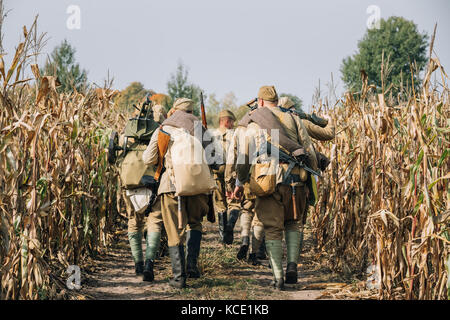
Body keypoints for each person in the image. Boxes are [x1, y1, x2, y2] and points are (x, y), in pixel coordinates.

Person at [233, 86, 318, 290]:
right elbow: (310, 151)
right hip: (296, 181)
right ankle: (292, 267)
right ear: (277, 101)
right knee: (294, 224)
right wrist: (311, 181)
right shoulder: (294, 119)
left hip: (267, 182)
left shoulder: (254, 124)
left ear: (260, 102)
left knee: (272, 229)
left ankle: (278, 278)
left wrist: (240, 181)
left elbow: (244, 157)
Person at [142, 98, 212, 289]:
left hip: (171, 185)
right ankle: (192, 267)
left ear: (174, 110)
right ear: (191, 111)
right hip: (197, 186)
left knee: (174, 231)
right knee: (195, 223)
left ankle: (179, 278)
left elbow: (148, 159)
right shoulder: (200, 128)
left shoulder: (163, 128)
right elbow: (215, 158)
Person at [278, 97, 335, 253]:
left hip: (276, 174)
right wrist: (330, 120)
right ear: (293, 109)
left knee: (276, 214)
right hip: (300, 173)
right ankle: (296, 251)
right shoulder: (299, 121)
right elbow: (328, 134)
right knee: (299, 215)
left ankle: (268, 251)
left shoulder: (272, 122)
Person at [122, 103, 167, 282]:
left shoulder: (129, 131)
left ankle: (138, 264)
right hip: (152, 181)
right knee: (154, 221)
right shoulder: (159, 131)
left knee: (134, 221)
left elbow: (117, 156)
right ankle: (150, 263)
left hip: (130, 182)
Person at [225, 119, 266, 265]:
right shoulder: (267, 125)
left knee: (246, 209)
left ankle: (244, 241)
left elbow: (232, 157)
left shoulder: (240, 130)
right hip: (265, 175)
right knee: (260, 213)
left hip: (246, 176)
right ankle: (256, 252)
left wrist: (231, 182)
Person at [211, 110, 241, 245]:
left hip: (216, 173)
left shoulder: (210, 135)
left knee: (220, 204)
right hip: (232, 173)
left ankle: (224, 238)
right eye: (232, 122)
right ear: (227, 121)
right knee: (234, 202)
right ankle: (230, 227)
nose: (233, 124)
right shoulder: (235, 134)